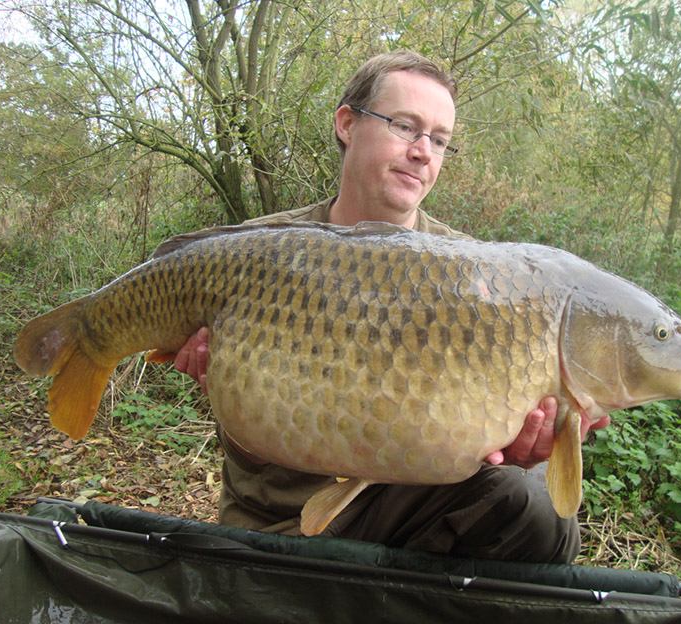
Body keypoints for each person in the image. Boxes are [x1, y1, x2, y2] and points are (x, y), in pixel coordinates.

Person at [174, 50, 610, 563]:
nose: (424, 151)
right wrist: (222, 386)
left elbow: (491, 441)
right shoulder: (257, 252)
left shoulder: (477, 276)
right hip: (279, 518)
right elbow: (253, 448)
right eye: (406, 127)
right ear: (347, 123)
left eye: (440, 140)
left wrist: (518, 450)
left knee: (538, 509)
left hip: (414, 508)